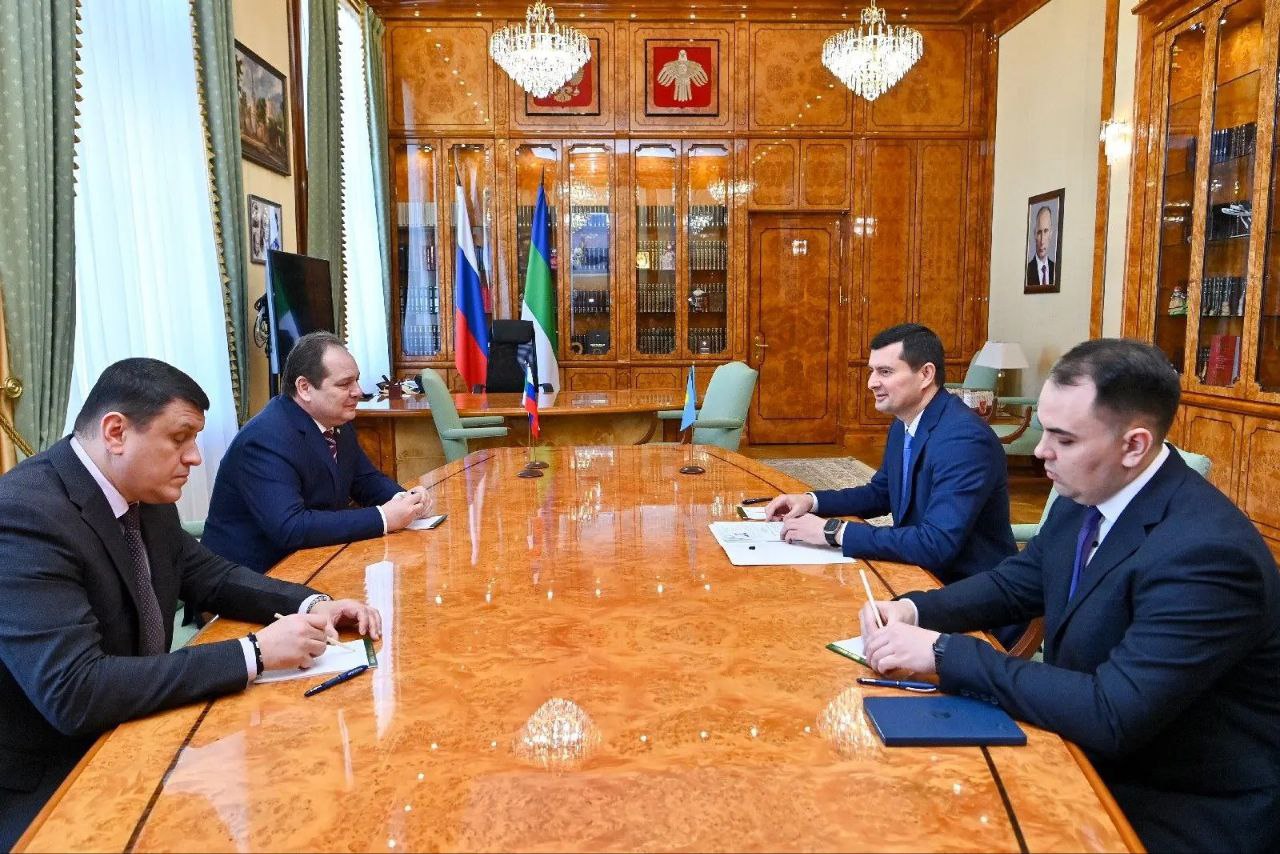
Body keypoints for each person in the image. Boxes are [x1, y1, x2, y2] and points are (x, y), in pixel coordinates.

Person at [858, 339, 1280, 853]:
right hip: (1082, 746)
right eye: (1044, 428)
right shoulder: (1088, 494)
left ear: (1134, 446)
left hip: (1175, 802)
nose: (1041, 451)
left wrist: (944, 652)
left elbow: (1112, 712)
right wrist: (913, 608)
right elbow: (1015, 583)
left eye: (1063, 438)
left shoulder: (1207, 555)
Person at [0, 358, 382, 849]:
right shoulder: (24, 515)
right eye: (180, 439)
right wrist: (253, 652)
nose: (195, 458)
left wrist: (311, 603)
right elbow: (74, 691)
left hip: (140, 732)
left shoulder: (143, 494)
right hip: (52, 778)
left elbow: (210, 577)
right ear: (116, 432)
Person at [767, 324, 1017, 642]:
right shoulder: (905, 423)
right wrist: (812, 500)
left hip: (969, 605)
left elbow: (935, 544)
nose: (872, 382)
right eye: (872, 371)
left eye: (885, 372)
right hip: (919, 580)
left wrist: (833, 532)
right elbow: (881, 492)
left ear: (925, 375)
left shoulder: (964, 440)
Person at [203, 332, 430, 574]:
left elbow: (365, 480)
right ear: (305, 388)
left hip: (314, 562)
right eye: (345, 384)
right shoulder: (265, 439)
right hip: (252, 577)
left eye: (356, 381)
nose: (358, 391)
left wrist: (405, 500)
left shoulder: (336, 422)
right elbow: (290, 527)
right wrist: (382, 518)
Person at [1026, 205, 1057, 287]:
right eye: (1039, 232)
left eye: (1046, 231)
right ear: (1035, 234)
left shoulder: (1056, 269)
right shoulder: (1027, 270)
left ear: (1051, 233)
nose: (1042, 241)